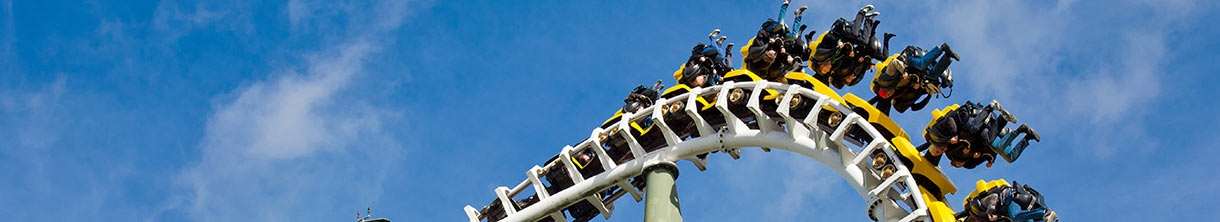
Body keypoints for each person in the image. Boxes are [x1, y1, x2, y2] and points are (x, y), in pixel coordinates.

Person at [920, 100, 1040, 169]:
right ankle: (1026, 135)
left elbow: (953, 125)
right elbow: (984, 152)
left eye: (938, 150)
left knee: (975, 130)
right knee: (1009, 157)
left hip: (968, 119)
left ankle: (994, 111)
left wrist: (955, 135)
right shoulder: (970, 162)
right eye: (940, 152)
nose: (941, 151)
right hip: (982, 135)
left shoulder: (946, 144)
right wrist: (989, 159)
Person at [809, 5, 893, 89]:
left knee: (855, 34)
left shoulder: (820, 55)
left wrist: (838, 43)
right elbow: (845, 56)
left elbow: (828, 38)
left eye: (825, 70)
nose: (828, 70)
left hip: (840, 32)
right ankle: (869, 20)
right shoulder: (836, 65)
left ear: (822, 66)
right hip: (847, 40)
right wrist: (851, 54)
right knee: (864, 41)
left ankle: (862, 12)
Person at [870, 43, 959, 114]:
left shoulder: (888, 78)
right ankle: (947, 56)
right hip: (915, 71)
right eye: (889, 95)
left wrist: (904, 71)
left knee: (921, 64)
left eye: (888, 93)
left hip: (908, 59)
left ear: (886, 88)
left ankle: (941, 48)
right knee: (933, 75)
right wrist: (915, 85)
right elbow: (910, 82)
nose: (890, 93)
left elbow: (895, 63)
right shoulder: (898, 90)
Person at [958, 180, 1058, 222]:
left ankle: (1044, 215)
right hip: (1011, 199)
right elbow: (993, 198)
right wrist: (991, 210)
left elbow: (994, 197)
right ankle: (1043, 214)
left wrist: (991, 210)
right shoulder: (979, 208)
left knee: (1016, 218)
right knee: (1015, 217)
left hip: (1010, 198)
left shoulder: (980, 207)